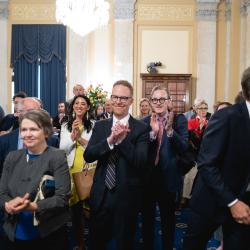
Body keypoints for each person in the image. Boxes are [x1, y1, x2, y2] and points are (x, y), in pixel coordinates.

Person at [182, 67, 250, 250]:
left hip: (243, 203)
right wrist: (232, 202)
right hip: (210, 202)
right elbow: (207, 164)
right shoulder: (226, 117)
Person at [84, 80, 149, 250]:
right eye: (115, 97)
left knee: (124, 243)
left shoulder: (141, 128)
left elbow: (141, 162)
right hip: (101, 195)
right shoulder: (100, 126)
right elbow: (88, 155)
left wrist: (122, 141)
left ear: (131, 101)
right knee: (96, 242)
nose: (118, 101)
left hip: (126, 198)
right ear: (111, 98)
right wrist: (109, 142)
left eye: (123, 98)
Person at [0, 109, 71, 250]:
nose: (27, 134)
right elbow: (2, 193)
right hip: (13, 232)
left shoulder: (57, 157)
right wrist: (7, 205)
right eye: (24, 129)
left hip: (46, 233)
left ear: (45, 132)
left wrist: (34, 207)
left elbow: (62, 197)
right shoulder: (12, 157)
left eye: (33, 129)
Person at [141, 85, 188, 250]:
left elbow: (184, 147)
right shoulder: (144, 122)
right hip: (148, 178)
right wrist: (152, 134)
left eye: (162, 99)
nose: (158, 102)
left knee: (168, 221)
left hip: (169, 177)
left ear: (169, 101)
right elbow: (140, 152)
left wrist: (170, 131)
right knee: (147, 220)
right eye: (155, 99)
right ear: (151, 102)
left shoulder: (179, 120)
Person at [60, 94, 94, 250]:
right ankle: (80, 244)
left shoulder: (94, 125)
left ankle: (95, 241)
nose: (79, 106)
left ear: (87, 107)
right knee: (75, 211)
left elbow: (94, 149)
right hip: (71, 169)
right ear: (73, 106)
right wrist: (73, 139)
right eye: (76, 103)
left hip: (89, 169)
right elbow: (62, 149)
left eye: (83, 103)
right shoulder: (65, 125)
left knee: (90, 210)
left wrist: (80, 138)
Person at [0, 97, 59, 177]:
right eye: (30, 112)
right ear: (19, 113)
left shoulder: (52, 141)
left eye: (38, 112)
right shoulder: (3, 141)